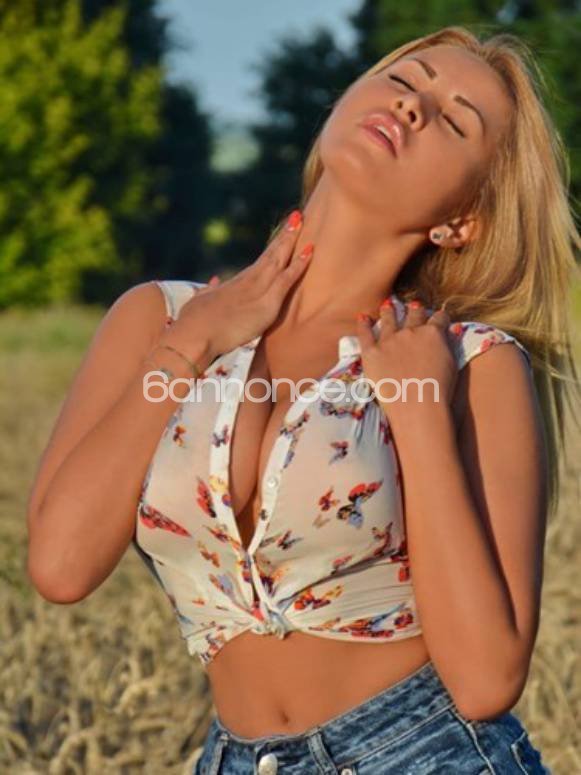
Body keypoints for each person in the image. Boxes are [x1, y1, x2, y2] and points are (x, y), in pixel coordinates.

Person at [26, 25, 579, 775]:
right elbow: (60, 566)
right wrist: (190, 346)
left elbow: (486, 680)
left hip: (429, 753)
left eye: (454, 121)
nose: (413, 108)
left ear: (461, 221)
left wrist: (417, 414)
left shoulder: (467, 363)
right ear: (342, 105)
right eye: (404, 81)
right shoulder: (160, 320)